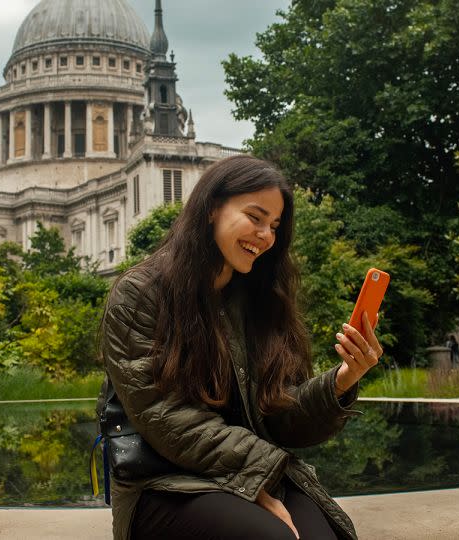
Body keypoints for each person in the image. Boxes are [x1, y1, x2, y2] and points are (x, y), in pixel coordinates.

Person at [97, 155, 382, 540]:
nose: (266, 235)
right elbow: (168, 419)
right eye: (255, 217)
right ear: (213, 208)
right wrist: (257, 484)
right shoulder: (139, 295)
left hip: (248, 469)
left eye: (274, 226)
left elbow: (279, 416)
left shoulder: (261, 299)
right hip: (164, 483)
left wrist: (345, 379)